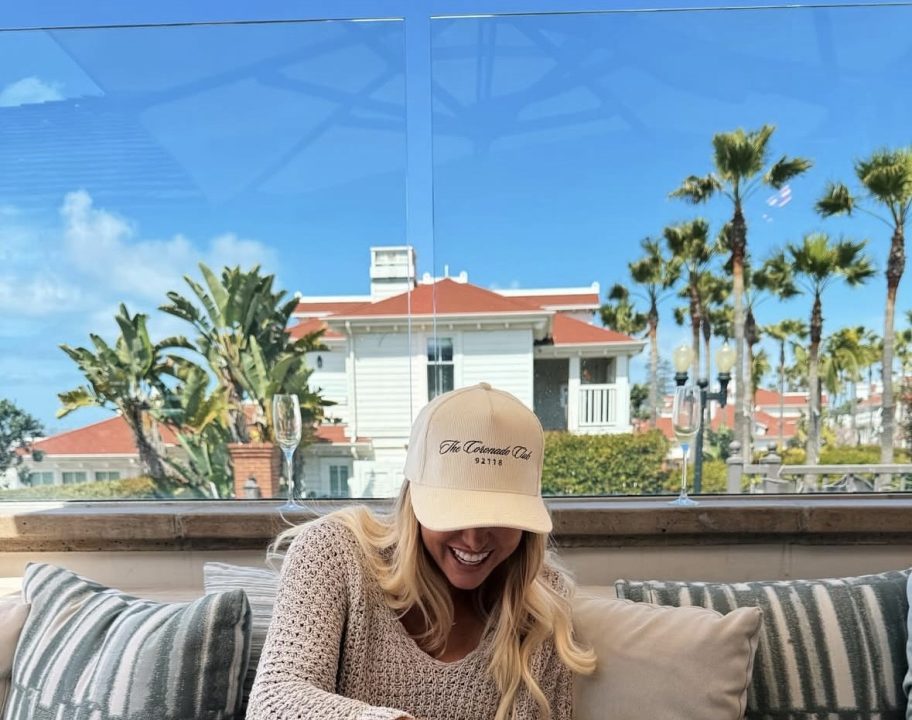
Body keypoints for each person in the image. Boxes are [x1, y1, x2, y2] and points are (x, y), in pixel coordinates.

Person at [247, 382, 595, 720]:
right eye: (454, 511)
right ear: (413, 499)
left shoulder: (542, 607)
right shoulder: (333, 552)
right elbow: (273, 701)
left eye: (499, 516)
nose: (474, 540)